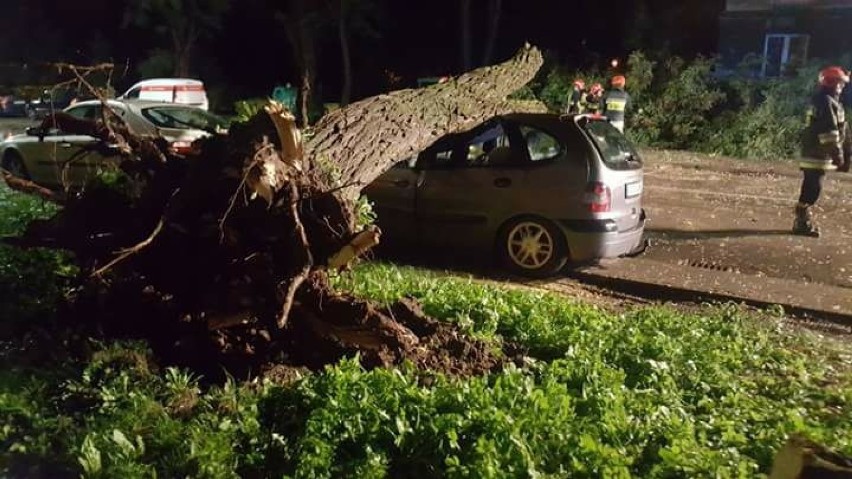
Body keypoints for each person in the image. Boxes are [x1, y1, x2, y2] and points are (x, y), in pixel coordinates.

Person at [794, 65, 850, 237]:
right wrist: (838, 155)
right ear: (834, 84)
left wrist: (845, 153)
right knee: (813, 187)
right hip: (816, 154)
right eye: (841, 83)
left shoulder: (827, 101)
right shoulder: (826, 101)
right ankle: (801, 220)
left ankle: (802, 218)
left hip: (816, 152)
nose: (842, 87)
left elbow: (841, 130)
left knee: (812, 185)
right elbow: (829, 131)